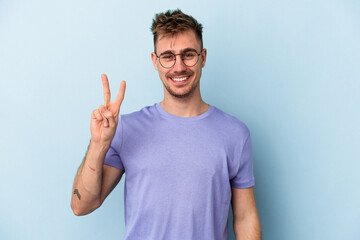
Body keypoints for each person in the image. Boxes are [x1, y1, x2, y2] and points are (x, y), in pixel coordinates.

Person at [71, 9, 261, 240]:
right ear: (155, 61)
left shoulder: (235, 134)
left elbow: (245, 217)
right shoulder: (126, 129)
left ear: (203, 57)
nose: (179, 67)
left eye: (188, 54)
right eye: (168, 56)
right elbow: (82, 206)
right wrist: (98, 144)